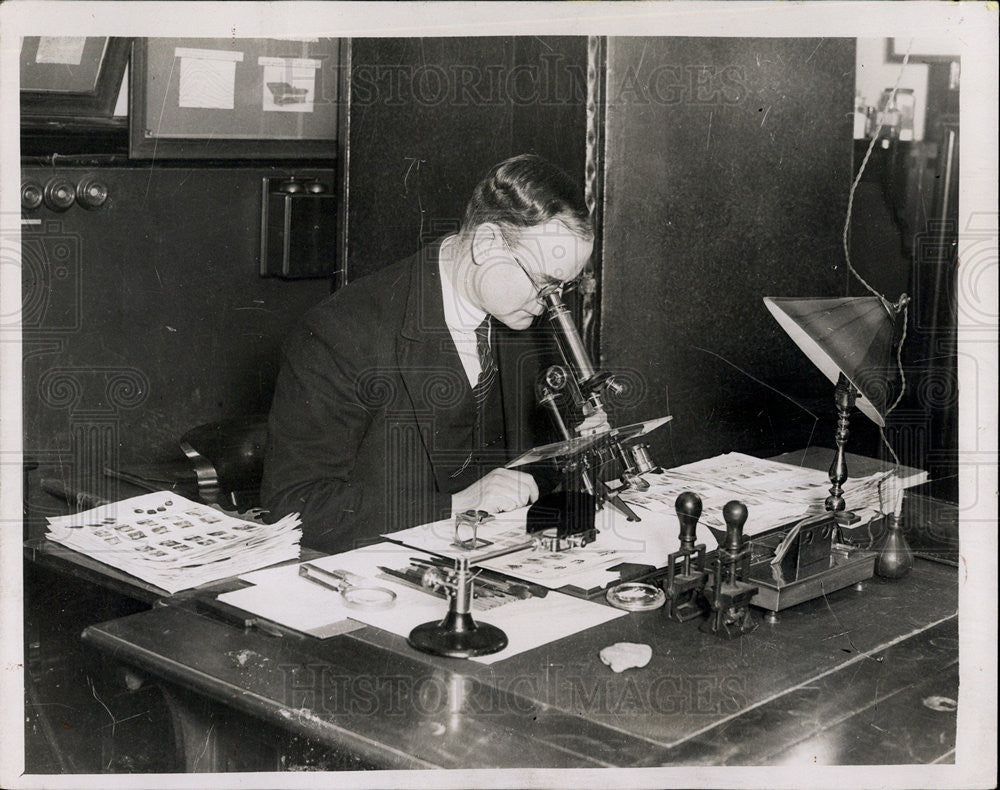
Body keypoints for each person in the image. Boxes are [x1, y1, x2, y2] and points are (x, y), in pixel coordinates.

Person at [261, 154, 597, 554]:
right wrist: (457, 506)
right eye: (546, 284)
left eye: (566, 288)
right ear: (488, 243)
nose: (553, 305)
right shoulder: (342, 332)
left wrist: (576, 444)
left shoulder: (526, 315)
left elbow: (536, 461)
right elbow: (294, 506)